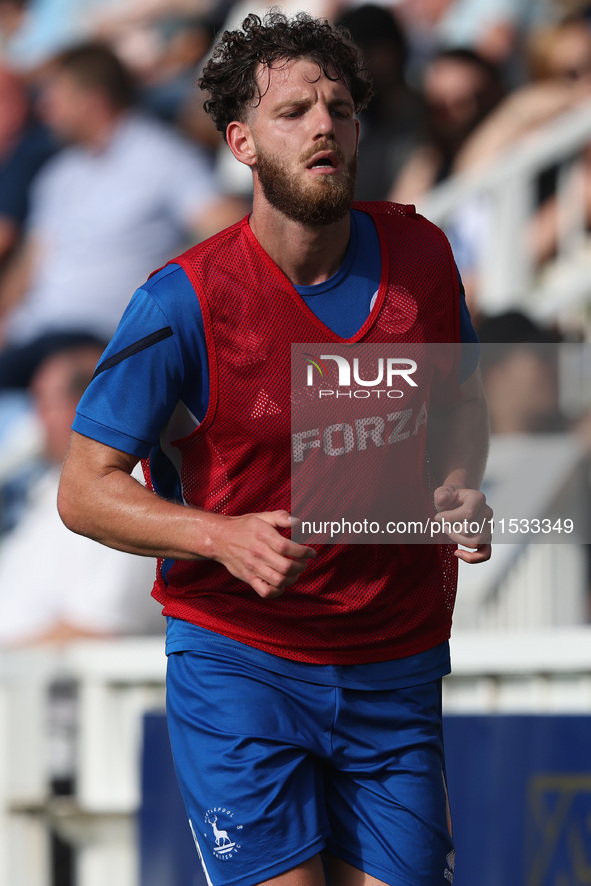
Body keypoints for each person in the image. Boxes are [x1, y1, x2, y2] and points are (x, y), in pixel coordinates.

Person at [58, 12, 492, 886]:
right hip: (241, 661)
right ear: (241, 143)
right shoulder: (180, 301)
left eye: (338, 106)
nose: (323, 123)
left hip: (392, 658)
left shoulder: (422, 254)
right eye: (292, 110)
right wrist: (221, 535)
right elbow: (83, 489)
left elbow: (461, 408)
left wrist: (456, 486)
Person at [0, 42, 245, 388]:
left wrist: (160, 296)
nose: (43, 109)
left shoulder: (161, 155)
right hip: (34, 336)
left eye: (54, 97)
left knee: (58, 385)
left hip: (103, 340)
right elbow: (29, 265)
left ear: (92, 102)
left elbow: (226, 223)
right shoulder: (58, 175)